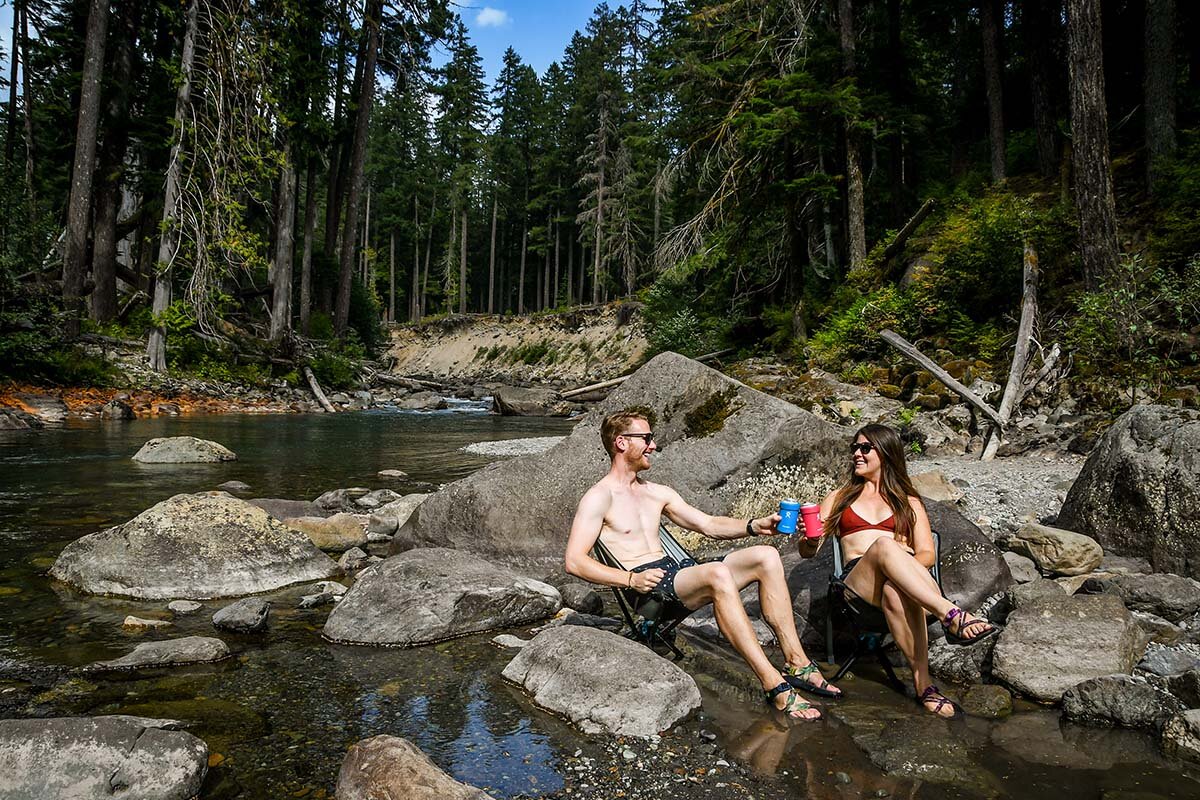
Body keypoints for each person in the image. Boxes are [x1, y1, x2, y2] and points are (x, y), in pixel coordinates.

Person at [564, 409, 841, 721]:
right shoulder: (598, 498)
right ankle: (774, 685)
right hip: (648, 591)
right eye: (647, 438)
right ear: (622, 443)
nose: (654, 445)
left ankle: (797, 662)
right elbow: (574, 561)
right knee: (717, 573)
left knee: (766, 555)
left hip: (678, 576)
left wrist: (755, 526)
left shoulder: (657, 493)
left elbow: (708, 524)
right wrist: (629, 579)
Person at [803, 423, 997, 717]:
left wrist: (897, 570)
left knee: (895, 588)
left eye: (865, 448)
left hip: (907, 582)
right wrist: (810, 539)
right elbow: (808, 552)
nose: (857, 453)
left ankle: (925, 687)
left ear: (886, 452)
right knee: (884, 545)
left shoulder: (909, 502)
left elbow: (927, 555)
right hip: (859, 586)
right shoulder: (839, 497)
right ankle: (951, 615)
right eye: (854, 448)